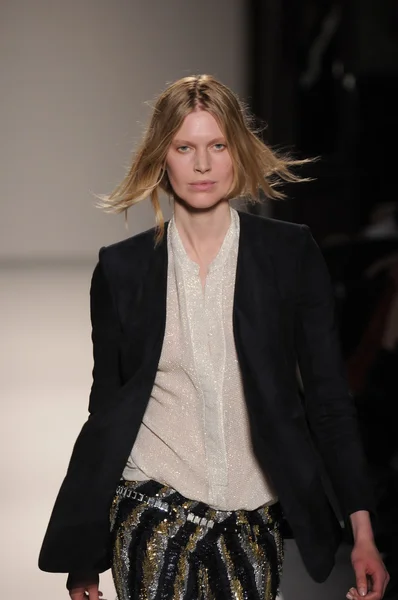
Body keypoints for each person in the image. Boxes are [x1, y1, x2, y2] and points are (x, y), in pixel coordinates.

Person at [38, 74, 389, 600]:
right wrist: (85, 554)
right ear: (163, 157)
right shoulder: (123, 270)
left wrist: (363, 532)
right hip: (150, 512)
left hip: (253, 525)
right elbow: (107, 413)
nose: (202, 165)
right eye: (185, 147)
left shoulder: (289, 256)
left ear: (238, 153)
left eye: (217, 145)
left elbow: (328, 399)